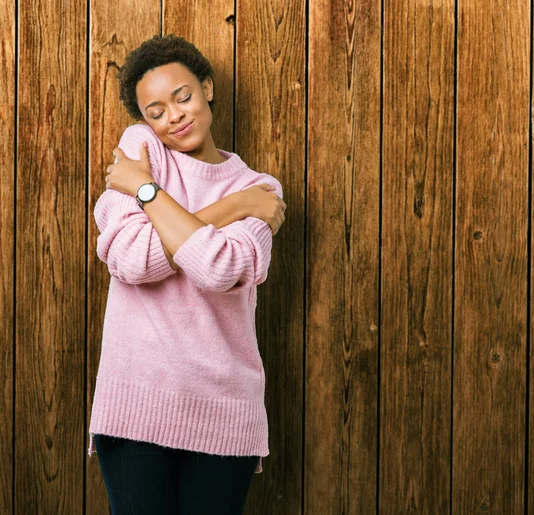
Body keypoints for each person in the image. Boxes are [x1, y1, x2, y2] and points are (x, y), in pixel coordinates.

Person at [87, 33, 286, 514]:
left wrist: (147, 194)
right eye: (155, 111)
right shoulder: (142, 152)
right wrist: (232, 209)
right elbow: (132, 260)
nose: (173, 116)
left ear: (208, 88)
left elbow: (218, 269)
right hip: (136, 402)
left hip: (225, 408)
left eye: (183, 97)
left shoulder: (259, 187)